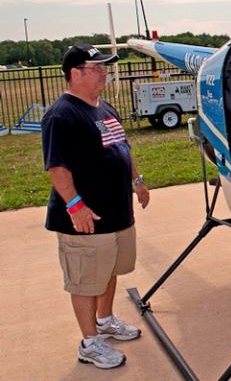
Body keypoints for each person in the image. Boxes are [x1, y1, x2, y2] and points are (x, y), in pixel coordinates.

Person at [41, 44, 150, 369]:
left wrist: (137, 180)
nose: (105, 73)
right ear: (76, 73)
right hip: (85, 219)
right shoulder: (61, 115)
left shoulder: (105, 108)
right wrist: (76, 206)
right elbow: (57, 167)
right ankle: (89, 343)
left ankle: (105, 320)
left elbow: (122, 147)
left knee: (108, 273)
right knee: (86, 280)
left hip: (117, 215)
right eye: (97, 68)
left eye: (105, 68)